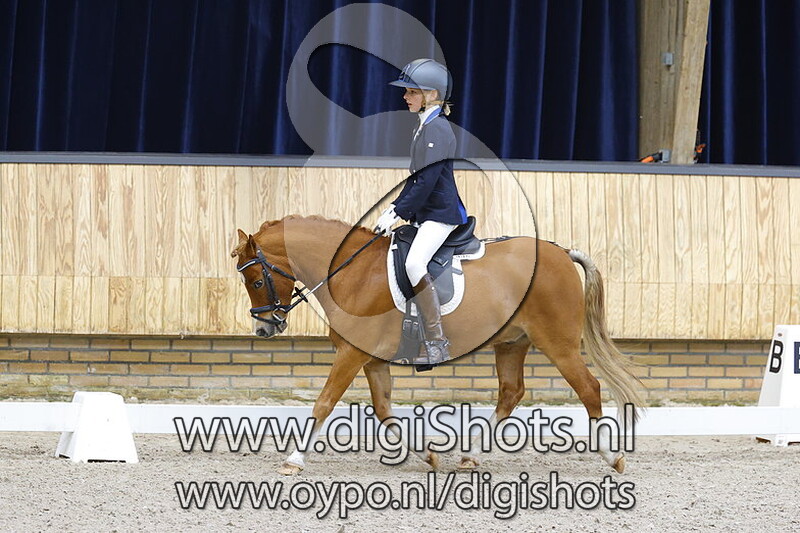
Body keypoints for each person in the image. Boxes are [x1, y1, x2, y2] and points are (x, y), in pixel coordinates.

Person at [374, 58, 469, 366]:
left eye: (412, 92)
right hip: (426, 213)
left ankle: (437, 343)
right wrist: (393, 209)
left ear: (431, 94)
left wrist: (400, 211)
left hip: (441, 215)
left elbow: (427, 181)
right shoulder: (425, 125)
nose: (405, 97)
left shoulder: (437, 128)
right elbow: (415, 179)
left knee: (415, 263)